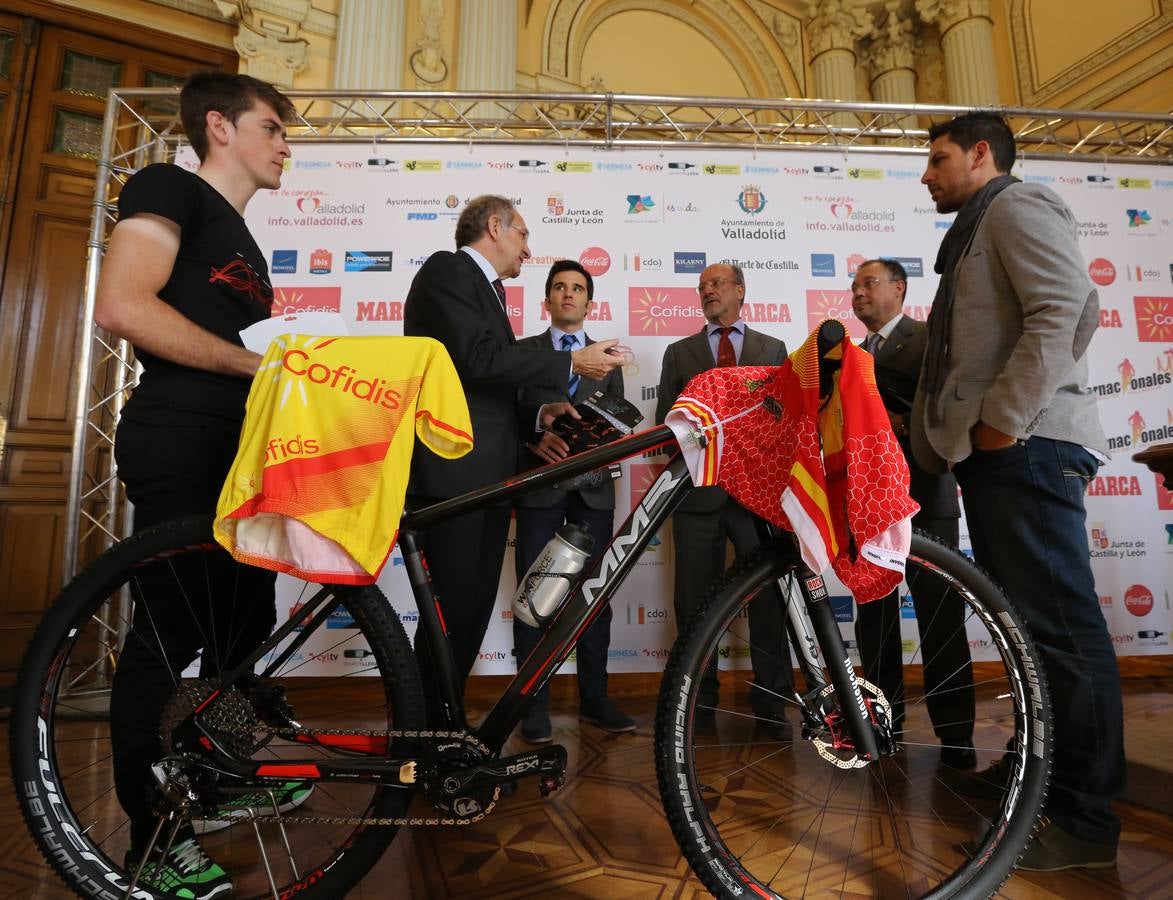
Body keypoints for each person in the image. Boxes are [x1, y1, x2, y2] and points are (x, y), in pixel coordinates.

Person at [94, 71, 297, 896]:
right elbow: (122, 305)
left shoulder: (241, 237)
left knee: (243, 628)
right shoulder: (165, 186)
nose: (285, 145)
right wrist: (251, 364)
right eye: (273, 127)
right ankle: (152, 840)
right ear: (219, 126)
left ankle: (217, 779)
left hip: (240, 449)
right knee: (170, 633)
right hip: (180, 434)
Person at [912, 111, 1124, 870]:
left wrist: (1002, 421)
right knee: (1029, 633)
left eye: (938, 159)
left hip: (1028, 446)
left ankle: (1082, 821)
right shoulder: (977, 225)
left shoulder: (1016, 204)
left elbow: (1066, 307)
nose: (927, 174)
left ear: (980, 154)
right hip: (1004, 454)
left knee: (1058, 632)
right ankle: (1039, 778)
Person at [403, 196, 624, 722]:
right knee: (450, 613)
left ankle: (446, 728)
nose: (528, 248)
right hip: (457, 477)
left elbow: (487, 388)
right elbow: (478, 359)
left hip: (487, 479)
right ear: (494, 227)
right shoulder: (448, 270)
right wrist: (570, 361)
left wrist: (540, 415)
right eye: (523, 235)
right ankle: (420, 731)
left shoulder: (488, 290)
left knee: (469, 613)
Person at [654, 262, 794, 740]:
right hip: (699, 497)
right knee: (695, 604)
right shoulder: (679, 353)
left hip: (759, 499)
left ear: (740, 290)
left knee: (770, 601)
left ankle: (772, 704)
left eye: (716, 284)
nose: (707, 291)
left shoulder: (773, 349)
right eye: (702, 287)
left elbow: (784, 420)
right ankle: (697, 701)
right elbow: (667, 423)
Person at [850, 257, 976, 769]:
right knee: (874, 623)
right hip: (870, 501)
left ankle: (957, 737)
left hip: (927, 495)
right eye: (855, 286)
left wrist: (901, 422)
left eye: (869, 283)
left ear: (899, 288)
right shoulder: (852, 356)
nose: (859, 293)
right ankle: (883, 727)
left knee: (941, 619)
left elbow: (949, 404)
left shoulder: (929, 339)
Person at [512, 260, 636, 742]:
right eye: (560, 287)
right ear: (547, 300)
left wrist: (602, 440)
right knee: (534, 595)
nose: (569, 294)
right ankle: (532, 704)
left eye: (578, 288)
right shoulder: (524, 353)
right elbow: (510, 415)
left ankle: (595, 699)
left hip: (593, 491)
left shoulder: (609, 358)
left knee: (594, 597)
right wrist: (532, 437)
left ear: (589, 302)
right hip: (539, 486)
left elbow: (618, 422)